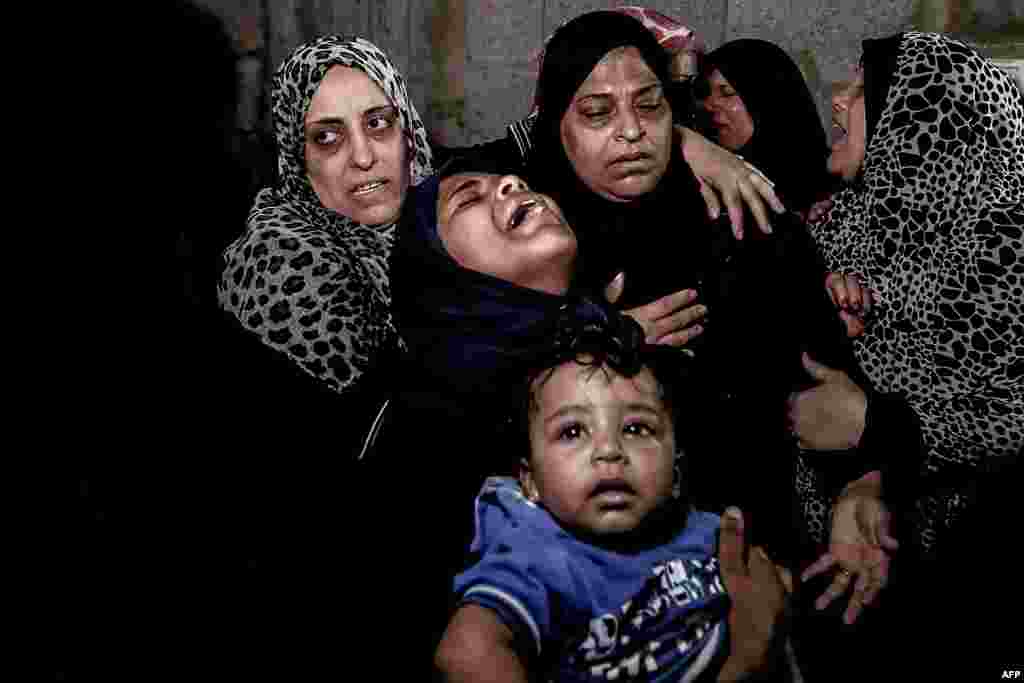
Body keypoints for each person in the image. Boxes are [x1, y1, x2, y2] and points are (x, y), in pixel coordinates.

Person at [793, 30, 1023, 677]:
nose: (837, 102)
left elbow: (1006, 417)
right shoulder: (830, 225)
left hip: (968, 596)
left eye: (862, 90)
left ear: (927, 117)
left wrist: (878, 435)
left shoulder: (1007, 253)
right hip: (824, 588)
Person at [434, 312, 792, 681]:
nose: (609, 450)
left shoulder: (708, 532)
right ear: (530, 481)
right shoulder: (538, 557)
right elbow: (466, 653)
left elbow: (773, 594)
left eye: (636, 428)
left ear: (676, 471)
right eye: (572, 431)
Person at [698, 38, 837, 218]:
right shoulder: (704, 183)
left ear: (768, 102)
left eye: (726, 93)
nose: (709, 105)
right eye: (706, 93)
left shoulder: (831, 200)